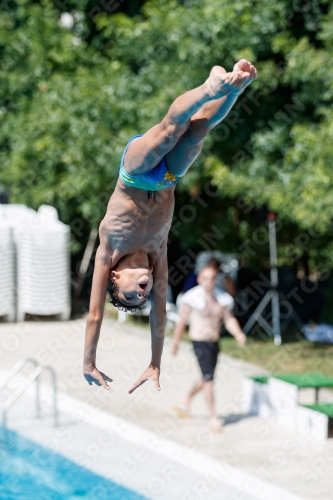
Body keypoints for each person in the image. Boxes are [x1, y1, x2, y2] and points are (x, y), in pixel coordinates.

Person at [83, 60, 257, 394]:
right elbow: (160, 316)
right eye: (143, 296)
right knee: (196, 133)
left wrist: (88, 362)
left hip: (135, 172)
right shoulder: (156, 254)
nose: (144, 291)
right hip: (166, 180)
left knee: (168, 132)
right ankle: (237, 85)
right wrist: (155, 363)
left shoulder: (108, 253)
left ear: (116, 279)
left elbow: (94, 315)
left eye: (134, 293)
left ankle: (211, 87)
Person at [171, 265, 246, 432]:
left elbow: (229, 319)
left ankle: (185, 399)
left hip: (214, 342)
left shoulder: (222, 299)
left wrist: (238, 333)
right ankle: (213, 417)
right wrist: (175, 343)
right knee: (209, 381)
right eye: (206, 278)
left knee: (207, 377)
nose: (209, 282)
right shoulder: (191, 298)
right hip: (199, 342)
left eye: (212, 278)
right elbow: (181, 322)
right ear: (199, 279)